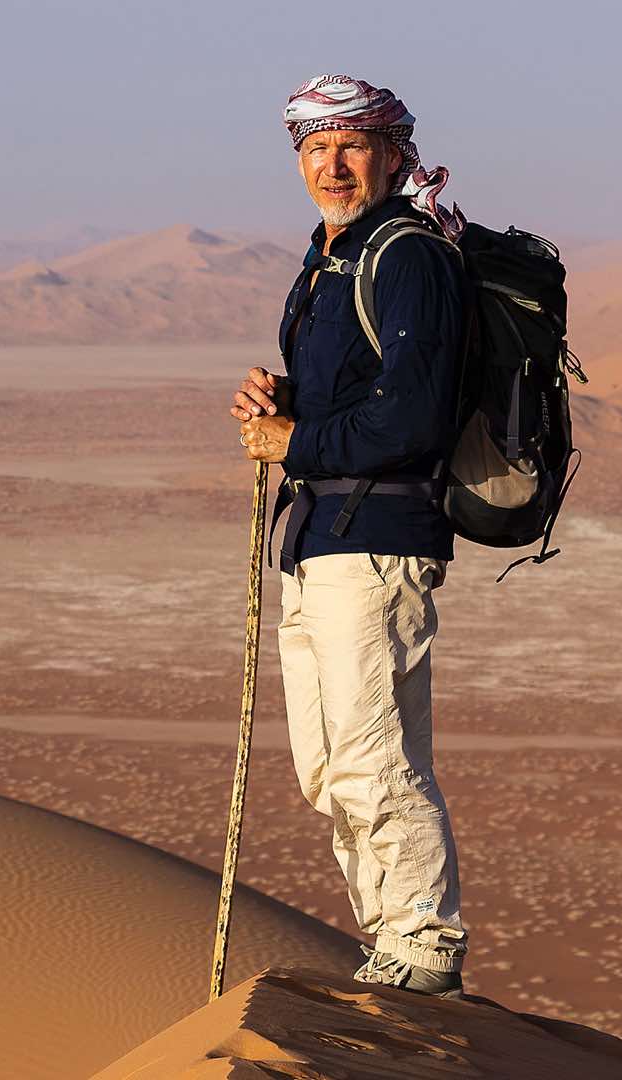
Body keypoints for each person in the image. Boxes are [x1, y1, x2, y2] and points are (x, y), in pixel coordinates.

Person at [231, 74, 469, 997]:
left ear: (394, 153)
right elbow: (357, 394)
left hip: (377, 535)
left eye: (353, 145)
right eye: (314, 148)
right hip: (319, 531)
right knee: (328, 766)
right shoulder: (331, 254)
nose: (332, 165)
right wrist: (284, 405)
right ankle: (388, 944)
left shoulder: (406, 255)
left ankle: (420, 946)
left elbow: (413, 415)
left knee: (373, 757)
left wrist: (296, 438)